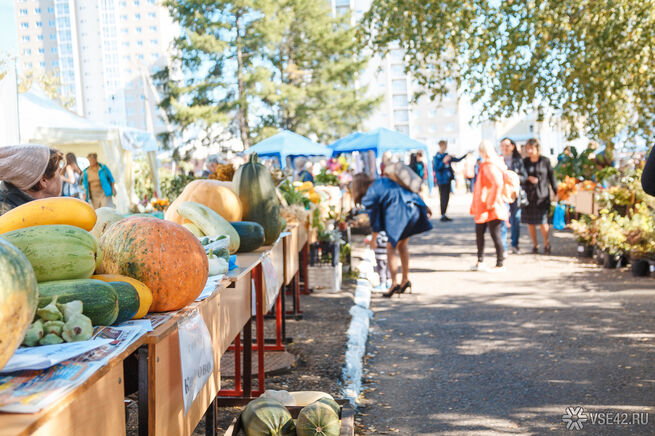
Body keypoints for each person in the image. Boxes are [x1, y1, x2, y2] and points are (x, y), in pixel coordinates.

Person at [353, 173, 432, 298]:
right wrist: (424, 205)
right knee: (402, 246)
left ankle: (394, 284)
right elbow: (406, 188)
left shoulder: (370, 194)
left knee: (390, 248)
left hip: (400, 214)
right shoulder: (382, 181)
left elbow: (375, 221)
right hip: (413, 208)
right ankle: (405, 280)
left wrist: (373, 240)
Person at [470, 140, 508, 271]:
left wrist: (491, 201)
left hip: (490, 206)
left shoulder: (489, 165)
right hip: (485, 205)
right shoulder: (493, 163)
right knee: (481, 233)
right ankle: (481, 261)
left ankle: (500, 263)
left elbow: (497, 183)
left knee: (494, 235)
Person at [0, 145, 64, 215]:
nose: (61, 179)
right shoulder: (8, 213)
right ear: (43, 180)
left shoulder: (13, 206)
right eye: (59, 173)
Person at [522, 138, 558, 254]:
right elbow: (521, 176)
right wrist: (528, 178)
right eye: (527, 149)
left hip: (542, 196)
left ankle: (546, 243)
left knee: (543, 221)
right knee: (531, 222)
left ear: (537, 148)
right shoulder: (525, 162)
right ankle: (535, 245)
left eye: (531, 148)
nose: (529, 151)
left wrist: (556, 192)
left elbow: (552, 178)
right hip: (529, 196)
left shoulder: (545, 161)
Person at [499, 138, 527, 254]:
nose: (505, 148)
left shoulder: (518, 160)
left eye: (507, 145)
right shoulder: (498, 160)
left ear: (512, 146)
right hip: (502, 195)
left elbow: (524, 177)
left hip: (515, 195)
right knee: (503, 220)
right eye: (502, 145)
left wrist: (512, 177)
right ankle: (503, 247)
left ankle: (515, 244)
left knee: (515, 219)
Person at [433, 140, 467, 222]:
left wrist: (466, 155)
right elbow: (437, 168)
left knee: (447, 197)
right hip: (441, 180)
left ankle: (444, 213)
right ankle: (442, 214)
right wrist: (443, 162)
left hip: (448, 179)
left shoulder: (447, 155)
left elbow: (457, 159)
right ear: (441, 146)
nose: (445, 147)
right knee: (443, 197)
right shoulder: (437, 157)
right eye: (444, 145)